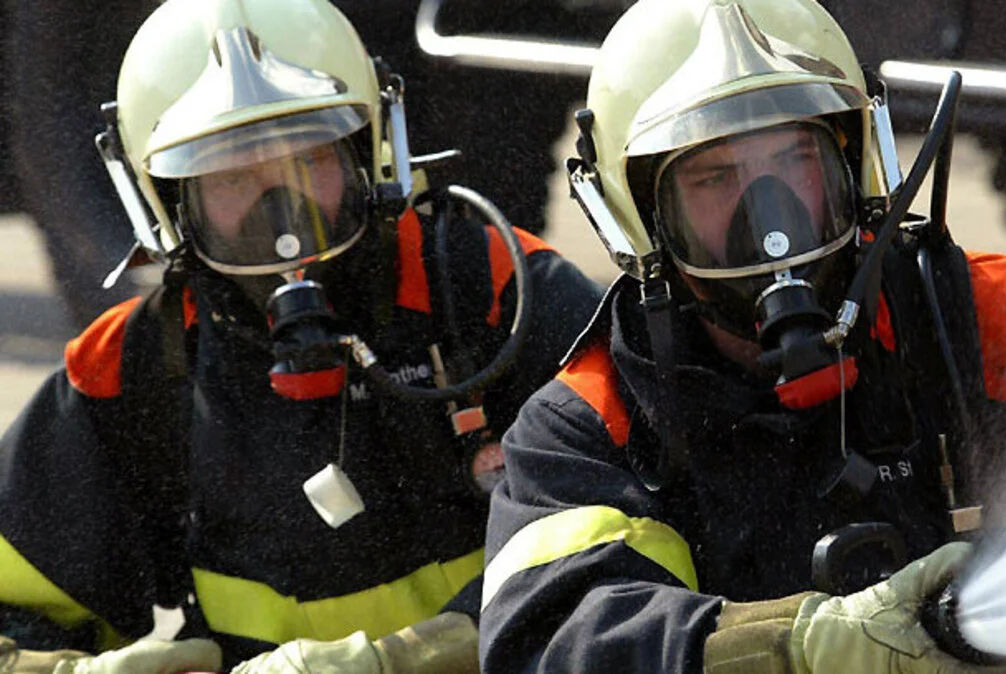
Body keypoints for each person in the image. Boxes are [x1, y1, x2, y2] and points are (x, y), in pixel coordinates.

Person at [478, 0, 1006, 671]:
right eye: (715, 177)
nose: (769, 214)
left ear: (856, 165)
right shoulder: (588, 431)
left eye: (793, 158)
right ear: (638, 217)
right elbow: (547, 640)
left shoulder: (994, 324)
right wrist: (798, 648)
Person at [0, 0, 602, 671]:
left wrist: (423, 656)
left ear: (368, 151)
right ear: (166, 200)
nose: (282, 216)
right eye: (232, 176)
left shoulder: (499, 299)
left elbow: (642, 535)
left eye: (308, 159)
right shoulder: (133, 374)